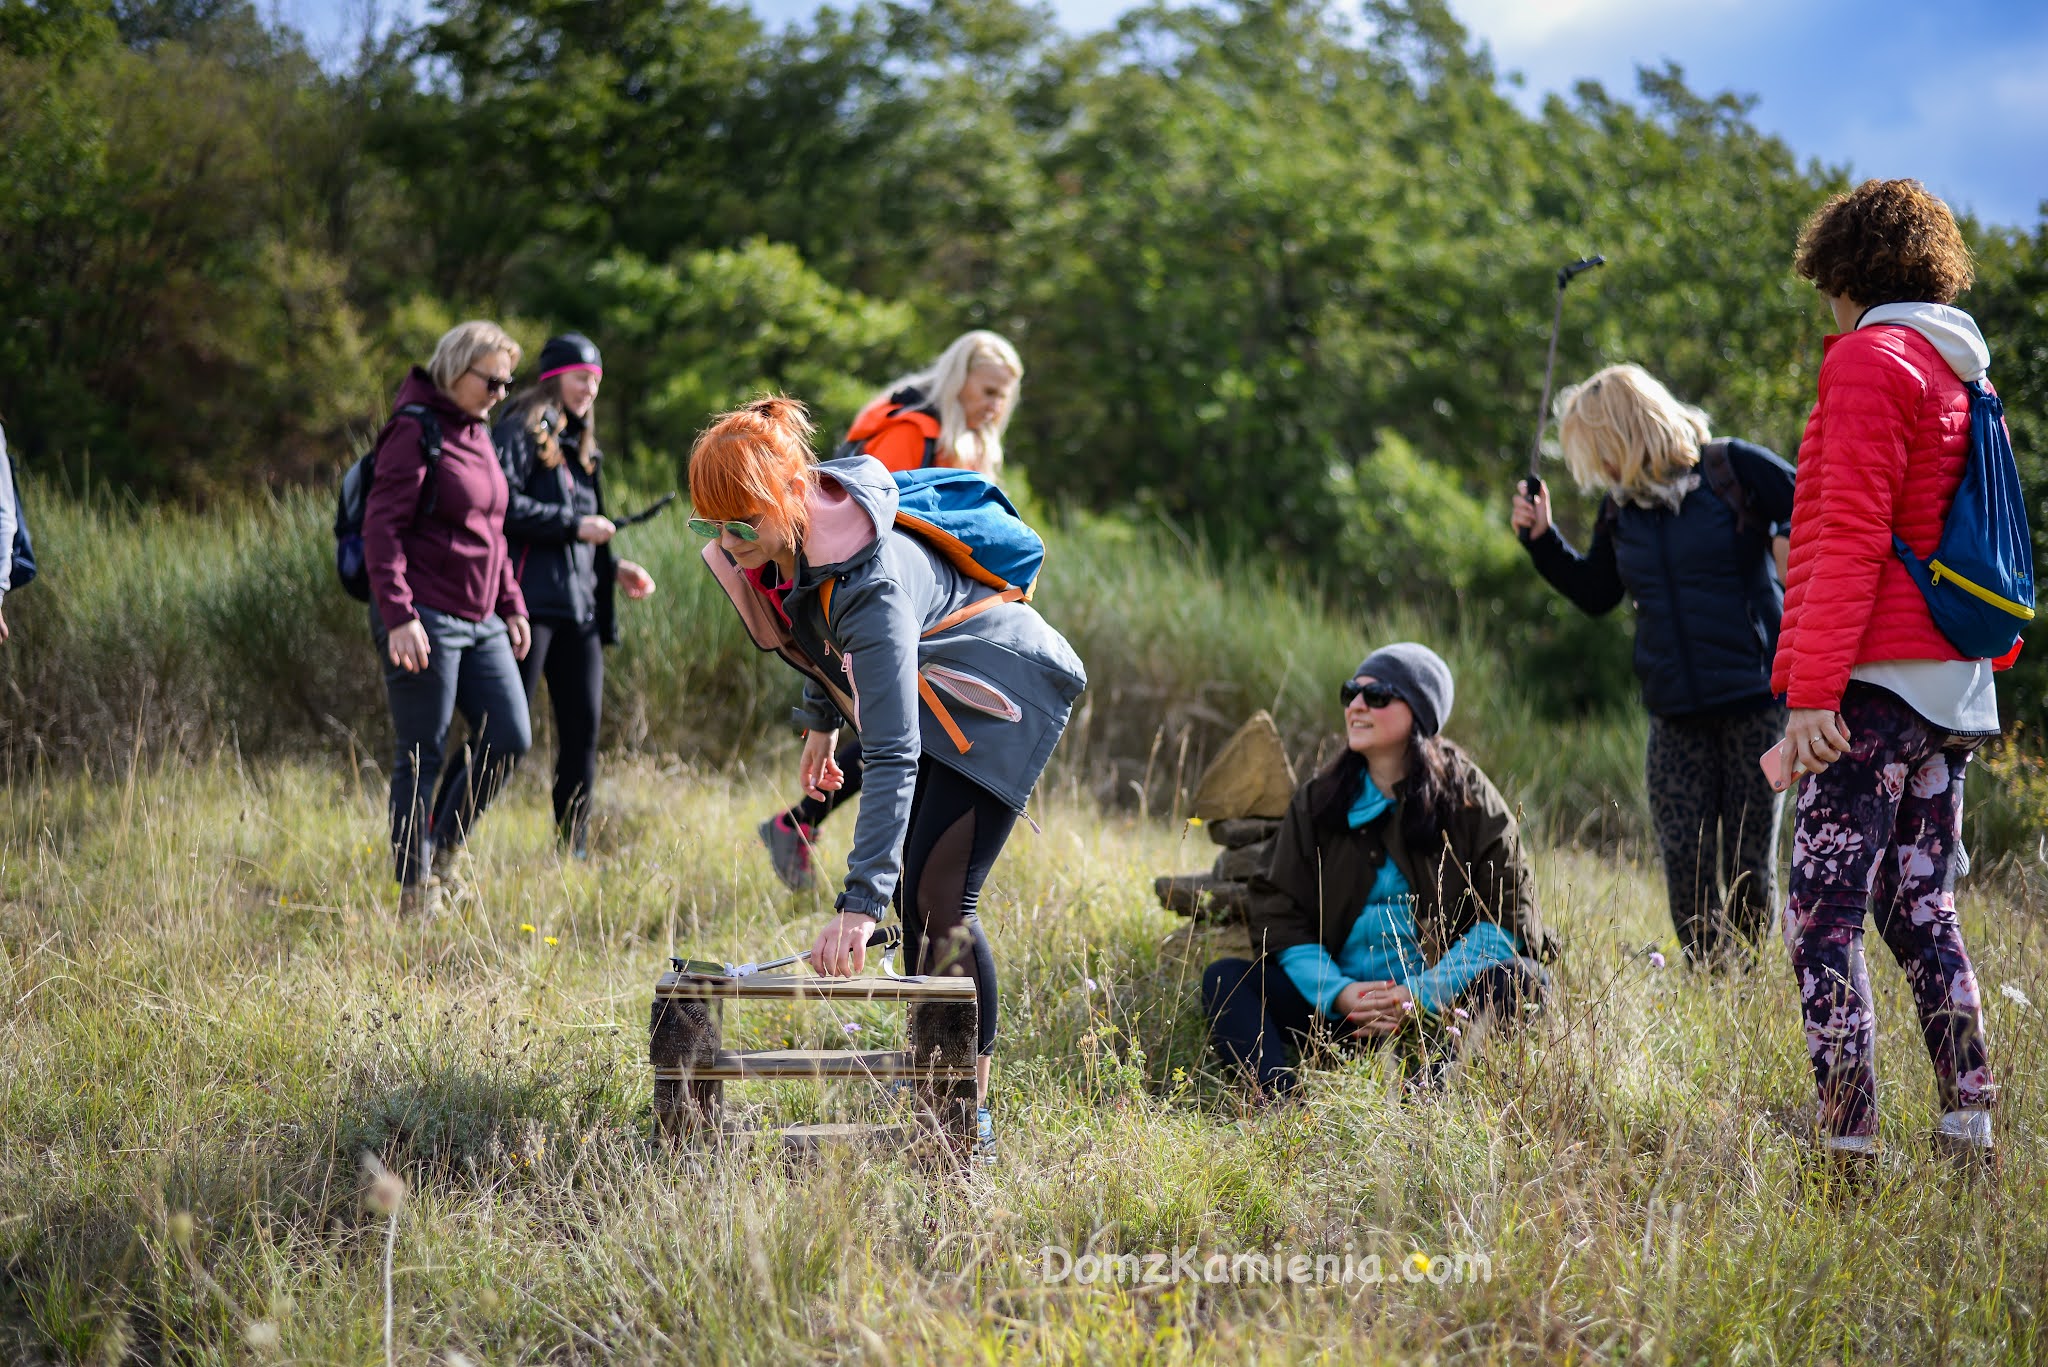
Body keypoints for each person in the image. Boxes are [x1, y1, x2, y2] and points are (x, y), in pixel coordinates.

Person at [692, 395, 1084, 1160]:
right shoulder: (800, 536)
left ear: (785, 496)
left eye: (739, 523)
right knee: (920, 894)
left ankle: (964, 1110)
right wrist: (822, 717)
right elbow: (812, 618)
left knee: (941, 896)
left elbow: (895, 751)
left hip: (1003, 686)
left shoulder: (869, 578)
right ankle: (931, 1081)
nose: (726, 540)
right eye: (711, 525)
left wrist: (857, 905)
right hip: (942, 677)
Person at [1776, 178, 2007, 1174]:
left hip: (1871, 681)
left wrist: (1808, 692)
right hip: (1950, 686)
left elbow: (1848, 534)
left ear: (1844, 271)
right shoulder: (1960, 367)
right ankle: (1967, 1130)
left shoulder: (1872, 357)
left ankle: (1846, 1145)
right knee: (1919, 911)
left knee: (1819, 917)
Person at [1512, 366, 1795, 966]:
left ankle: (1747, 984)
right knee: (1684, 862)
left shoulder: (1730, 471)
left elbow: (1818, 505)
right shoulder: (1622, 512)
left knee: (1749, 862)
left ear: (1625, 433)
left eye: (1598, 453)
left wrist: (1789, 553)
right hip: (1673, 713)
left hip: (1756, 702)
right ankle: (1709, 981)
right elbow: (1597, 592)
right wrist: (1542, 539)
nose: (1597, 472)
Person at [1203, 644, 1555, 1099]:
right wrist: (1340, 993)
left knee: (1525, 980)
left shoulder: (1468, 797)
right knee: (1226, 980)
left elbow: (1508, 913)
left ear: (1419, 712)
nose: (1356, 706)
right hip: (1338, 1012)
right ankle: (1279, 1103)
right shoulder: (1320, 799)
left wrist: (1420, 995)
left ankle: (1426, 1095)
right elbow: (1279, 911)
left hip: (1442, 1010)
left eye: (1378, 696)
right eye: (1351, 693)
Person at [756, 330, 1026, 891]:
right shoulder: (909, 431)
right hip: (876, 610)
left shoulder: (964, 435)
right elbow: (878, 526)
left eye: (1006, 395)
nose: (996, 405)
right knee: (900, 740)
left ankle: (816, 835)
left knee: (907, 736)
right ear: (959, 382)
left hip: (930, 615)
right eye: (988, 390)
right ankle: (825, 843)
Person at [364, 320, 533, 917]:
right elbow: (380, 531)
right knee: (422, 751)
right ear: (455, 368)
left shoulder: (478, 432)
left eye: (506, 383)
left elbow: (492, 531)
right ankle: (414, 890)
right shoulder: (414, 431)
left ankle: (444, 851)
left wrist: (511, 603)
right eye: (490, 380)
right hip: (424, 614)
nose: (499, 393)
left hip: (481, 614)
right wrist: (400, 613)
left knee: (511, 736)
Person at [492, 333, 656, 858]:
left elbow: (585, 530)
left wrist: (612, 568)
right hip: (527, 606)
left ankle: (572, 852)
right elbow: (501, 506)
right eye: (581, 376)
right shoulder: (519, 428)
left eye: (596, 380)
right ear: (553, 377)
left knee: (582, 737)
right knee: (503, 736)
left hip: (579, 611)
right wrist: (573, 526)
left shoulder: (582, 445)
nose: (590, 388)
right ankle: (441, 844)